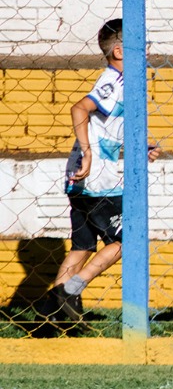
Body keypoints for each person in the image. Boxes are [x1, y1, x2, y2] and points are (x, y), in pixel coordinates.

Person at [42, 20, 141, 322]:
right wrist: (88, 153)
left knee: (82, 246)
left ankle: (51, 312)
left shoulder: (122, 82)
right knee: (127, 239)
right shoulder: (115, 81)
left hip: (80, 177)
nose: (147, 51)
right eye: (142, 45)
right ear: (121, 51)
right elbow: (79, 108)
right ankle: (71, 289)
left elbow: (107, 125)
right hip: (97, 178)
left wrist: (142, 145)